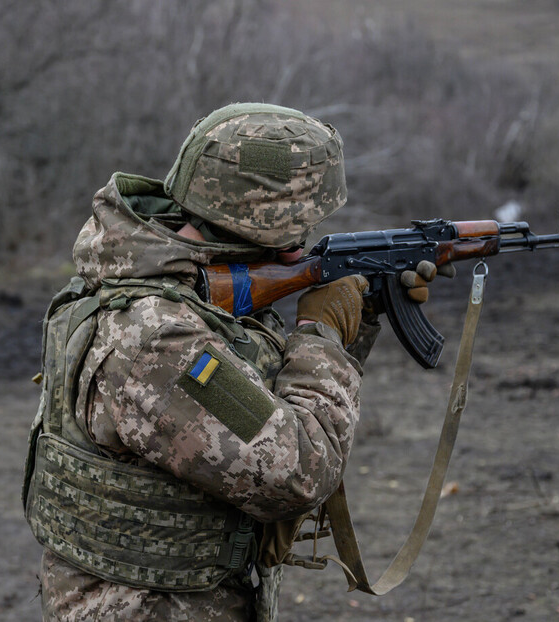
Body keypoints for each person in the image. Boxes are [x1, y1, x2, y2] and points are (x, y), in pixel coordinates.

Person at [22, 103, 442, 621]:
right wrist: (322, 333)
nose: (304, 242)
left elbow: (262, 397)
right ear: (264, 220)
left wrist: (364, 313)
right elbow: (298, 471)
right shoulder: (158, 337)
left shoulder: (154, 277)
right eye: (301, 226)